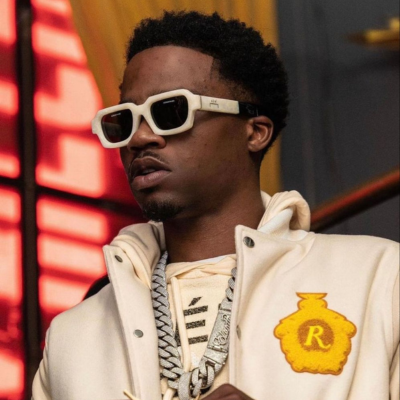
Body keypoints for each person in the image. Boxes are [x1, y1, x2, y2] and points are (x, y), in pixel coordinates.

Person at [32, 11, 399, 400]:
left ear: (255, 132)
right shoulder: (72, 338)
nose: (139, 138)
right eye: (124, 121)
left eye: (170, 112)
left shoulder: (379, 278)